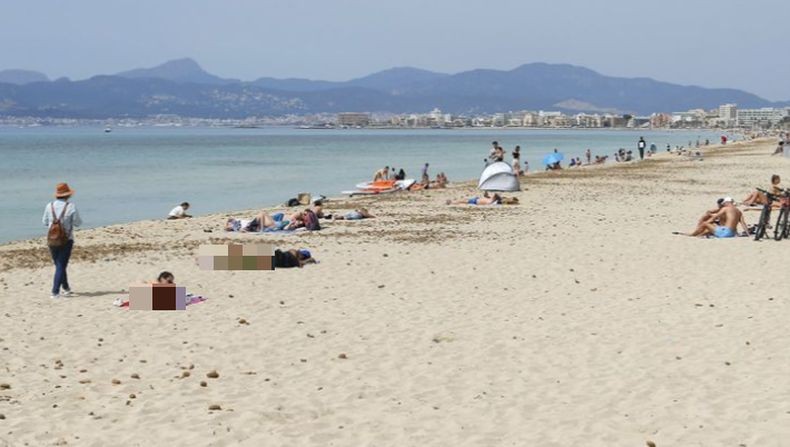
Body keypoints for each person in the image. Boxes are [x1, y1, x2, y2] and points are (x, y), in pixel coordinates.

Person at [43, 183, 82, 299]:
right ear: (68, 195)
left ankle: (66, 288)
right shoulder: (71, 207)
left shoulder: (49, 206)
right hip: (66, 240)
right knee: (61, 265)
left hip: (52, 240)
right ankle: (55, 292)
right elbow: (78, 223)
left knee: (59, 264)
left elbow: (44, 222)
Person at [680, 198, 748, 238]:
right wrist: (748, 234)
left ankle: (691, 235)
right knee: (709, 228)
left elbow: (715, 217)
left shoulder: (725, 209)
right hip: (732, 234)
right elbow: (743, 224)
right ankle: (699, 235)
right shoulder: (739, 211)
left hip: (725, 233)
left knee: (705, 224)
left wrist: (706, 223)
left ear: (726, 203)